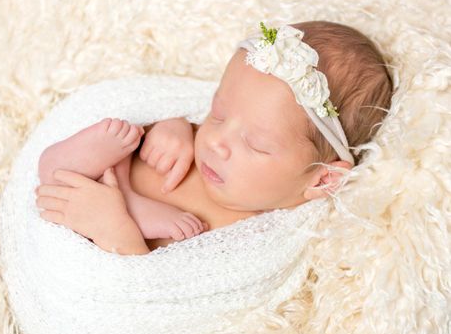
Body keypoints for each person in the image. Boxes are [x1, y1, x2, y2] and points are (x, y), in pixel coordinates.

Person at [35, 20, 393, 255]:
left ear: (323, 177)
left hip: (100, 229)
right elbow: (180, 114)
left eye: (255, 144)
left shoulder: (253, 240)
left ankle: (120, 203)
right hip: (105, 172)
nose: (216, 140)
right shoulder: (205, 141)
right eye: (218, 113)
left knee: (59, 184)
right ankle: (98, 161)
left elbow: (156, 295)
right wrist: (170, 127)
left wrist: (115, 226)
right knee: (53, 167)